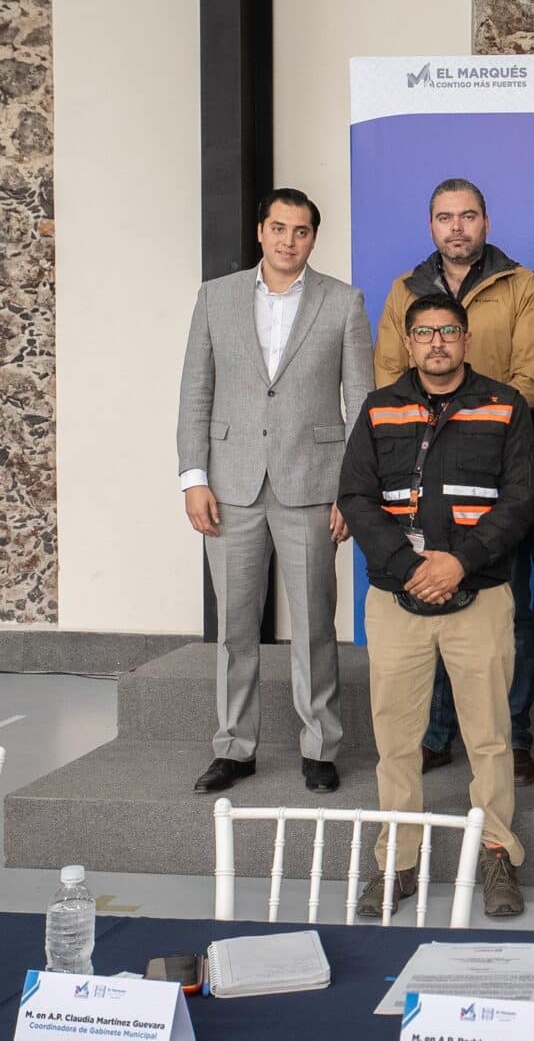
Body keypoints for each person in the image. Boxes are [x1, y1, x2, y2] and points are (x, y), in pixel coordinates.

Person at [339, 292, 534, 918]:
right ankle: (397, 862)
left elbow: (522, 499)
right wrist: (409, 569)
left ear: (466, 338)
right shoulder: (379, 409)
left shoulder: (504, 406)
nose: (436, 343)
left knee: (490, 738)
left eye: (447, 331)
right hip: (397, 599)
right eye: (423, 333)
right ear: (409, 340)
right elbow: (356, 496)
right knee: (396, 741)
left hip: (478, 593)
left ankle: (497, 854)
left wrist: (459, 561)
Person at [178, 187, 373, 795]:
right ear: (261, 231)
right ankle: (234, 748)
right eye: (280, 228)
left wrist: (352, 490)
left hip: (313, 486)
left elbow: (362, 403)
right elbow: (195, 393)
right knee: (236, 627)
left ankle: (320, 747)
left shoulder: (344, 302)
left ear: (314, 237)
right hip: (230, 486)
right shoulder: (216, 297)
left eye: (302, 231)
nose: (290, 241)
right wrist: (194, 478)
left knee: (315, 623)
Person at [372, 178, 534, 787]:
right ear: (431, 227)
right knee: (427, 595)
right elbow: (390, 375)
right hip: (418, 473)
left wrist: (483, 424)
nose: (457, 227)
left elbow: (531, 374)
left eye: (468, 216)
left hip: (497, 463)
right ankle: (435, 734)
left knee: (506, 604)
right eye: (445, 217)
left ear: (486, 221)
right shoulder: (406, 290)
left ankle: (515, 733)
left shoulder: (521, 285)